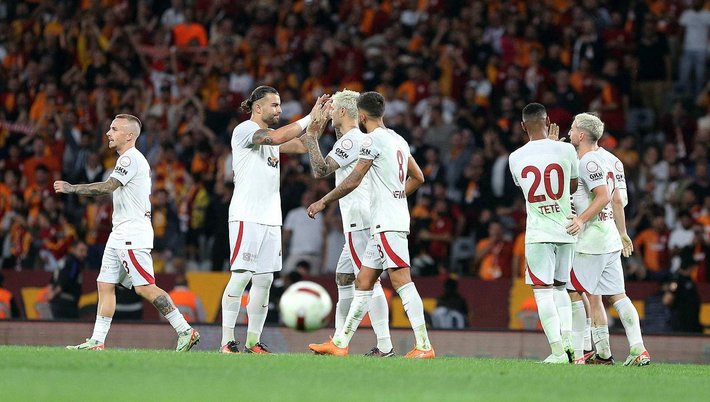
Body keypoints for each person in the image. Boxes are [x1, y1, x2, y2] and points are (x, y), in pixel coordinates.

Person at [54, 114, 200, 351]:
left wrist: (72, 188)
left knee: (144, 287)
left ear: (129, 135)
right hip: (119, 233)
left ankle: (185, 330)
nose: (108, 133)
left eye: (114, 129)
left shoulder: (130, 159)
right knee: (105, 284)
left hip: (132, 233)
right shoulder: (127, 159)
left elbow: (108, 187)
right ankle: (97, 341)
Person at [307, 91, 432, 358]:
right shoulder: (398, 139)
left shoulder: (371, 141)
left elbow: (353, 179)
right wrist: (396, 196)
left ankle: (423, 346)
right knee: (363, 281)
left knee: (402, 282)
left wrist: (323, 201)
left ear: (361, 117)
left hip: (386, 221)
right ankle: (340, 343)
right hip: (382, 221)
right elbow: (418, 177)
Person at [219, 86, 328, 354]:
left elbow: (303, 143)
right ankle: (227, 341)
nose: (279, 110)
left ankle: (253, 342)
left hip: (270, 218)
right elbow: (278, 137)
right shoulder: (245, 130)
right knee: (241, 276)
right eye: (275, 105)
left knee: (265, 280)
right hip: (246, 216)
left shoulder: (271, 139)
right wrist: (308, 116)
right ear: (258, 107)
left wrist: (320, 120)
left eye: (280, 105)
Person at [300, 89, 394, 356]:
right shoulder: (356, 139)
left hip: (359, 221)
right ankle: (339, 340)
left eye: (332, 109)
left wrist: (311, 137)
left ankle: (384, 345)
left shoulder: (351, 141)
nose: (329, 113)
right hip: (362, 219)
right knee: (344, 276)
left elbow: (320, 170)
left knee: (370, 281)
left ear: (342, 111)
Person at [565, 112, 651, 366]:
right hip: (610, 236)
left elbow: (604, 196)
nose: (569, 133)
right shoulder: (613, 161)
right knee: (615, 295)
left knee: (571, 290)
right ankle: (634, 349)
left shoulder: (585, 162)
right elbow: (618, 200)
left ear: (582, 135)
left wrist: (582, 219)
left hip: (591, 240)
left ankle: (578, 353)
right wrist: (622, 232)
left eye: (572, 129)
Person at [508, 103, 578, 364]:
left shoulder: (515, 157)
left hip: (539, 231)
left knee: (542, 291)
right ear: (548, 121)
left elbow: (526, 189)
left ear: (523, 126)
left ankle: (558, 351)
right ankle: (570, 343)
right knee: (561, 288)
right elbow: (572, 186)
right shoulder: (567, 149)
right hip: (566, 228)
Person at [48, 240, 88, 319]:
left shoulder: (63, 261)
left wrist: (51, 292)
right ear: (73, 250)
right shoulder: (73, 262)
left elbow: (53, 279)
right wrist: (54, 293)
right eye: (81, 251)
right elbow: (66, 279)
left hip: (57, 302)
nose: (84, 254)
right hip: (67, 304)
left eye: (85, 251)